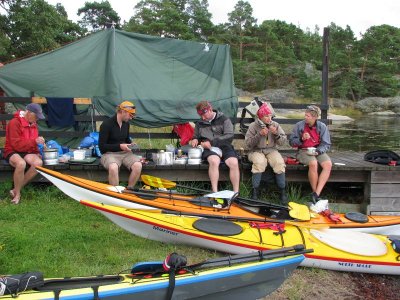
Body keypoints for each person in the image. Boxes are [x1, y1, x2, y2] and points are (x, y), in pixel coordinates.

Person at [191, 101, 240, 193]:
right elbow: (195, 137)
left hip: (224, 146)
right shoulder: (199, 123)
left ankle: (236, 193)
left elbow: (229, 136)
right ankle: (215, 192)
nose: (202, 117)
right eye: (200, 115)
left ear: (210, 110)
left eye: (204, 115)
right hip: (208, 148)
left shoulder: (224, 119)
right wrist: (195, 140)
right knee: (214, 161)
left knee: (234, 162)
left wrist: (212, 141)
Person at [245, 103, 288, 203]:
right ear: (261, 116)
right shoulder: (253, 126)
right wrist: (259, 135)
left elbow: (283, 142)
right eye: (266, 116)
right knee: (259, 163)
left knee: (279, 163)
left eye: (270, 116)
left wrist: (276, 134)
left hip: (271, 150)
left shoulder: (275, 125)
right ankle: (255, 191)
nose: (269, 118)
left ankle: (282, 191)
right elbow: (248, 144)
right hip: (256, 150)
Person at [3, 103, 46, 204]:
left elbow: (32, 142)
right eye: (36, 116)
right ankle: (17, 194)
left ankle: (15, 189)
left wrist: (37, 151)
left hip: (27, 150)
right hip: (12, 151)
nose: (37, 119)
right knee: (21, 163)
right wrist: (34, 142)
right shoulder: (14, 123)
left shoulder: (34, 123)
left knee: (38, 163)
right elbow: (16, 145)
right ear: (29, 113)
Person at [289, 105, 332, 202]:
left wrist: (318, 151)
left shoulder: (322, 127)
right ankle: (314, 191)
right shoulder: (299, 125)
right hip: (303, 150)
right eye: (305, 115)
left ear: (315, 117)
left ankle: (317, 193)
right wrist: (301, 139)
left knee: (328, 164)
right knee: (313, 163)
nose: (305, 117)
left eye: (308, 116)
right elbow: (291, 142)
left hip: (317, 150)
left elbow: (326, 144)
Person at [99, 101, 142, 188]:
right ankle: (116, 195)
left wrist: (131, 144)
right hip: (109, 154)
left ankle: (129, 190)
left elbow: (125, 139)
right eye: (130, 115)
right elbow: (102, 147)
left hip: (125, 153)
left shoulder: (126, 124)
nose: (131, 118)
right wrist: (120, 146)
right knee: (113, 167)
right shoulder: (106, 124)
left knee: (138, 165)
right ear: (123, 112)